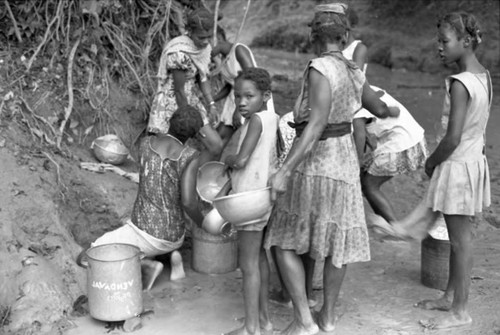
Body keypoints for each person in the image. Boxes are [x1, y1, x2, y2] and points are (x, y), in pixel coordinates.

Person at [263, 3, 400, 334]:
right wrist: (389, 110)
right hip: (345, 162)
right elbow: (377, 106)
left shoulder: (319, 67)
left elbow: (316, 124)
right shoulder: (353, 69)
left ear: (312, 35)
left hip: (318, 159)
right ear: (346, 36)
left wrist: (284, 170)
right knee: (336, 242)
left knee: (282, 241)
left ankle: (303, 319)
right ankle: (328, 316)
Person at [411, 12, 491, 330]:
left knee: (460, 242)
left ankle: (461, 311)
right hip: (474, 163)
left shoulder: (460, 84)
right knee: (460, 238)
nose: (439, 48)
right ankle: (449, 297)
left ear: (466, 42)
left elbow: (453, 137)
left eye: (445, 42)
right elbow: (478, 130)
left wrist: (431, 162)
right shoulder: (484, 76)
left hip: (458, 166)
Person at [81, 105, 217, 291]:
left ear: (169, 122)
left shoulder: (145, 144)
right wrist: (203, 223)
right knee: (141, 240)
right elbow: (188, 202)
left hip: (144, 230)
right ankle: (170, 257)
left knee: (89, 254)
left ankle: (146, 265)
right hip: (174, 235)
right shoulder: (190, 156)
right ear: (193, 136)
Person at [222, 68, 278, 335]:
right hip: (263, 196)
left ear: (265, 95)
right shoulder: (271, 117)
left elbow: (242, 160)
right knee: (259, 259)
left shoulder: (255, 120)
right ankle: (264, 320)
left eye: (249, 96)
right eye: (237, 97)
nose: (241, 102)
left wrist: (227, 161)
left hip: (249, 200)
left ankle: (251, 327)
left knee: (248, 266)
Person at [147, 7, 223, 156]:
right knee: (165, 152)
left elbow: (202, 76)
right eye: (201, 37)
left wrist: (212, 105)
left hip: (190, 100)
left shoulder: (204, 48)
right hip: (172, 102)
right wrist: (189, 121)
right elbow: (179, 90)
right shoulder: (179, 52)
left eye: (208, 36)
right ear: (190, 31)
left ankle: (194, 174)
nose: (206, 41)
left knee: (216, 145)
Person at [353, 86, 428, 224]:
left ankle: (393, 228)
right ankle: (385, 224)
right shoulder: (369, 89)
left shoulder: (355, 102)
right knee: (367, 181)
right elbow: (367, 135)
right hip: (412, 138)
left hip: (402, 143)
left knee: (369, 185)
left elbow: (360, 136)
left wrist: (356, 165)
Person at [211, 28, 276, 148]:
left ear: (218, 39)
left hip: (251, 99)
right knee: (220, 139)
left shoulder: (238, 50)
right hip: (236, 100)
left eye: (208, 41)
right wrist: (211, 99)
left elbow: (252, 80)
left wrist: (238, 110)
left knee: (254, 140)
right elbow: (230, 85)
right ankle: (213, 166)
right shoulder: (224, 59)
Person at [343, 5, 367, 72]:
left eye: (343, 23)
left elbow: (357, 77)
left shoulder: (358, 48)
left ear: (353, 27)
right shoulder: (334, 46)